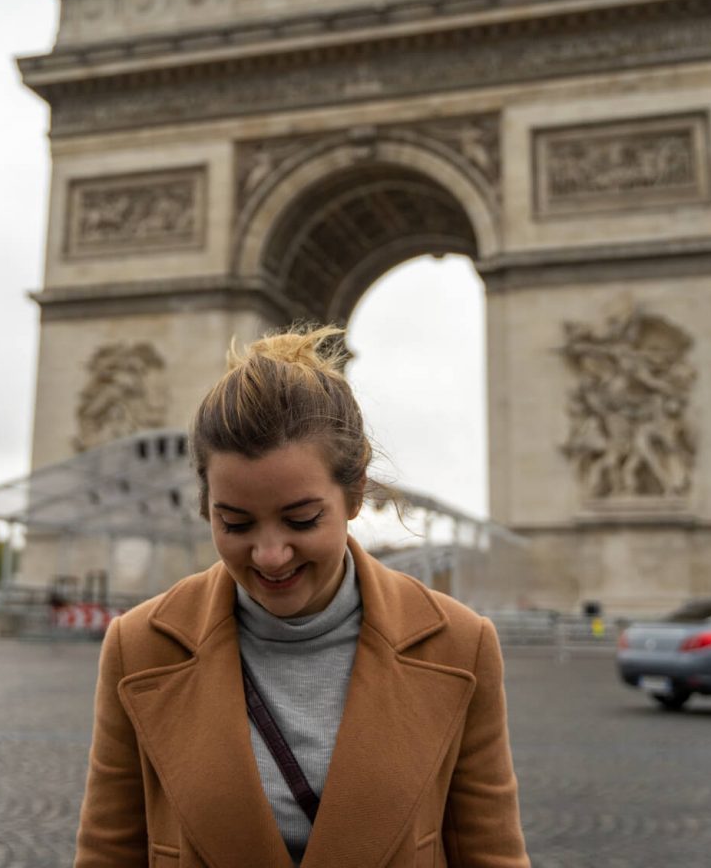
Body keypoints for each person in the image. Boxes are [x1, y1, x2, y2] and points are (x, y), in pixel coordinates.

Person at [74, 326, 529, 867]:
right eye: (235, 523)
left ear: (356, 492)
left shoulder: (462, 646)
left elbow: (490, 855)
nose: (270, 555)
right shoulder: (138, 647)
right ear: (205, 505)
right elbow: (108, 854)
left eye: (302, 519)